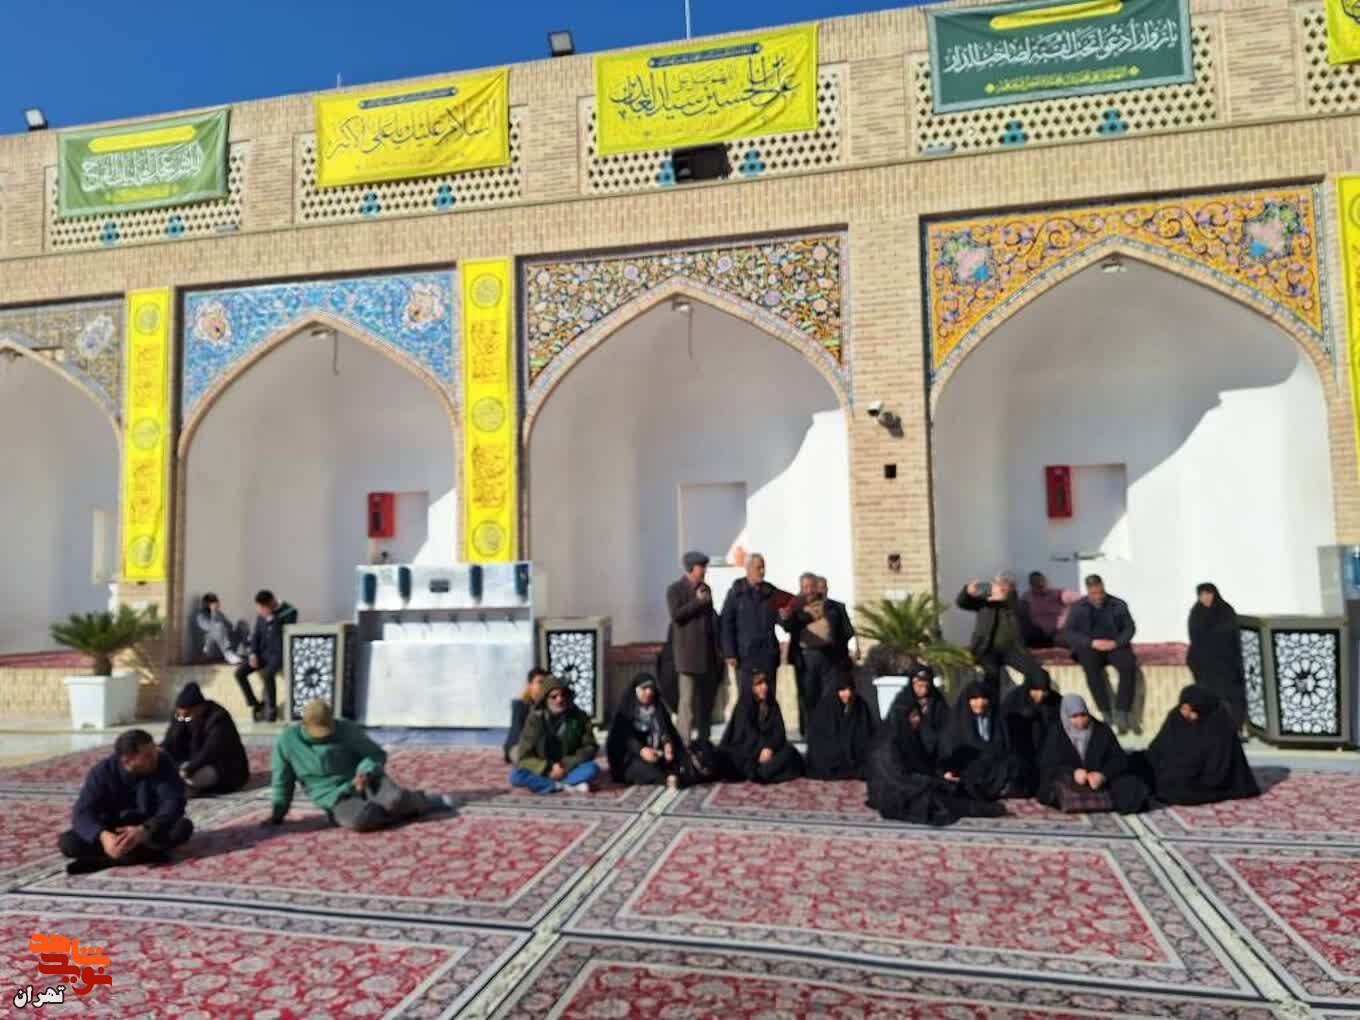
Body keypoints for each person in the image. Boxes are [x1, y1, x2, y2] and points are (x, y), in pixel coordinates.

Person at [263, 700, 449, 830]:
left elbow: (375, 754)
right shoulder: (287, 741)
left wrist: (365, 771)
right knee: (363, 818)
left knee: (395, 799)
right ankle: (386, 811)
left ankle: (421, 801)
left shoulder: (345, 729)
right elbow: (282, 781)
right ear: (303, 724)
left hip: (366, 780)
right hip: (334, 796)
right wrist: (277, 815)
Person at [59, 729, 193, 875]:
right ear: (127, 760)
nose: (155, 757)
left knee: (181, 828)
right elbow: (82, 812)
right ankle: (143, 856)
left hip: (149, 827)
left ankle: (108, 861)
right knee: (69, 843)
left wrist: (144, 829)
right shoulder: (102, 772)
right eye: (148, 756)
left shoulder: (163, 763)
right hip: (114, 830)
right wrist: (103, 836)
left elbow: (173, 803)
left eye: (154, 750)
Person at [865, 700, 1004, 825]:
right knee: (935, 801)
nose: (918, 719)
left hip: (912, 785)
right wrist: (934, 782)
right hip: (894, 794)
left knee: (954, 788)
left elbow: (921, 765)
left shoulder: (907, 737)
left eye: (918, 715)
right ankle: (984, 809)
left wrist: (940, 777)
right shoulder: (886, 746)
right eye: (913, 716)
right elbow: (898, 778)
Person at [1133, 685, 1259, 805]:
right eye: (1183, 708)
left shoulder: (1219, 724)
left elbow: (1217, 769)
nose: (1186, 714)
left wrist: (1185, 769)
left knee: (1178, 788)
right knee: (1140, 766)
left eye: (1191, 710)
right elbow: (1158, 747)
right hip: (1178, 768)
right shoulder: (1176, 716)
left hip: (1202, 779)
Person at [1038, 694, 1148, 814]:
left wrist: (1103, 775)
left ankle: (1100, 800)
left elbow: (1119, 759)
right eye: (1074, 716)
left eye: (1083, 715)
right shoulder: (1057, 733)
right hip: (1069, 779)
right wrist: (1072, 773)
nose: (1080, 721)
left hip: (1099, 781)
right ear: (1065, 716)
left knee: (1131, 785)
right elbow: (1048, 763)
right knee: (1050, 786)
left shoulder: (1102, 730)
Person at [1062, 575, 1139, 734]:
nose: (1098, 596)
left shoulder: (1118, 604)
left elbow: (1129, 628)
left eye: (1100, 592)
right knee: (1091, 669)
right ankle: (1106, 712)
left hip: (1114, 645)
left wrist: (1116, 643)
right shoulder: (1078, 607)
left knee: (1128, 666)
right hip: (1090, 646)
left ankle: (1122, 712)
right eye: (1094, 593)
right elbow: (1069, 632)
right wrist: (1090, 643)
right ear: (1088, 591)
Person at [956, 573, 1046, 698]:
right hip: (986, 649)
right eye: (998, 584)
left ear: (1012, 588)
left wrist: (1005, 597)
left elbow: (1015, 606)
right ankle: (992, 707)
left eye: (1005, 585)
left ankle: (1029, 702)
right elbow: (962, 603)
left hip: (1013, 649)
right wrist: (967, 591)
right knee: (991, 674)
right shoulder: (985, 602)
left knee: (1037, 673)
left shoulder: (1019, 604)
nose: (1000, 587)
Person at [665, 551, 722, 742]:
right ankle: (684, 742)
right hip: (687, 657)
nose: (704, 570)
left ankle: (704, 742)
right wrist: (697, 602)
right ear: (691, 568)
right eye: (701, 567)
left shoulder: (706, 589)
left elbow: (710, 620)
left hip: (707, 657)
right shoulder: (675, 590)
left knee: (705, 704)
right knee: (687, 704)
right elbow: (676, 616)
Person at [510, 677, 601, 794]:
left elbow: (590, 747)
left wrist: (564, 765)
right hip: (544, 769)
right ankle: (562, 785)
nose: (560, 700)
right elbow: (524, 755)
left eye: (563, 695)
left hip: (568, 768)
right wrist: (547, 768)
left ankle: (553, 784)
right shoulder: (535, 719)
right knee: (516, 775)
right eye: (554, 697)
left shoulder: (579, 717)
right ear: (545, 699)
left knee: (592, 769)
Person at [941, 681, 1028, 800]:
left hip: (993, 763)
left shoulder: (995, 717)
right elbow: (949, 748)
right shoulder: (958, 721)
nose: (980, 703)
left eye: (984, 699)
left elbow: (1004, 744)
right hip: (969, 763)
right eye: (975, 699)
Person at [160, 682, 250, 796]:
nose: (183, 718)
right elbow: (170, 740)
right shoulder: (180, 717)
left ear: (200, 708)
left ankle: (187, 787)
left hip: (220, 767)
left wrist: (188, 769)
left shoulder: (218, 718)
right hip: (188, 762)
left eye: (187, 715)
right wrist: (158, 754)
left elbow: (210, 751)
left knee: (195, 777)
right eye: (180, 715)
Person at [720, 554, 792, 697]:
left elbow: (784, 622)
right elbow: (726, 624)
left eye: (763, 568)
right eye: (758, 568)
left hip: (768, 655)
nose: (762, 571)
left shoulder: (771, 592)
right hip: (745, 657)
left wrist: (786, 617)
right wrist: (729, 653)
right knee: (748, 698)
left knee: (769, 697)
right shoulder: (736, 593)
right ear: (748, 569)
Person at [717, 670, 803, 783]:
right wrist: (761, 749)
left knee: (791, 752)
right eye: (759, 684)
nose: (764, 687)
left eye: (765, 683)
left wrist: (770, 747)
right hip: (746, 752)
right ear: (751, 687)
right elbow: (745, 736)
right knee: (734, 757)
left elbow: (780, 733)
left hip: (767, 752)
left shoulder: (772, 704)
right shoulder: (743, 705)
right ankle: (761, 773)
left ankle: (762, 773)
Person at [605, 673, 683, 787]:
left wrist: (668, 745)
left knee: (680, 759)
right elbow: (623, 739)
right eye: (644, 688)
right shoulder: (626, 711)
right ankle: (666, 778)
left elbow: (667, 731)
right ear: (635, 690)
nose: (649, 692)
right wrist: (641, 750)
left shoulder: (658, 708)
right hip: (630, 758)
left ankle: (674, 774)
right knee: (643, 769)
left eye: (651, 688)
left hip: (656, 753)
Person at [1187, 583, 1246, 729]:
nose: (1205, 598)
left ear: (1214, 594)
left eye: (1208, 594)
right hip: (1205, 667)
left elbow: (1232, 637)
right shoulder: (1196, 613)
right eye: (1202, 595)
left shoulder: (1226, 611)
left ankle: (1234, 727)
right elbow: (1195, 638)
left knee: (1231, 697)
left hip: (1226, 665)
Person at [234, 589, 298, 723]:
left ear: (271, 603)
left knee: (268, 675)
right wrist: (253, 653)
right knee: (239, 673)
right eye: (259, 607)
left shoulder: (289, 612)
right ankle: (255, 704)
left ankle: (271, 708)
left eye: (262, 607)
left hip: (278, 654)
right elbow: (256, 635)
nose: (260, 611)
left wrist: (273, 618)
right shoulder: (261, 615)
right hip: (262, 654)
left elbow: (288, 628)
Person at [804, 673, 875, 780]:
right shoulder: (825, 707)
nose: (847, 694)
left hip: (854, 754)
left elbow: (865, 734)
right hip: (832, 754)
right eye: (842, 690)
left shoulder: (860, 705)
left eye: (849, 689)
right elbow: (818, 740)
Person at [1001, 669, 1061, 774]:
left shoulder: (1056, 700)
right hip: (1020, 753)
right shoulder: (1013, 700)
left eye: (1044, 691)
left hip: (1047, 753)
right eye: (1036, 690)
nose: (1041, 695)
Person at [884, 663, 951, 756]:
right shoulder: (903, 700)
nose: (923, 690)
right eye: (919, 686)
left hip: (934, 750)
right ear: (912, 684)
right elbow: (895, 728)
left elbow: (945, 725)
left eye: (926, 686)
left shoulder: (937, 701)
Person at [786, 572, 821, 730]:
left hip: (822, 658)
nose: (808, 591)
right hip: (802, 658)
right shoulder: (794, 605)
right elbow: (787, 625)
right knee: (805, 696)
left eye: (811, 587)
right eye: (804, 587)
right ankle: (806, 730)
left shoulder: (824, 603)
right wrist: (802, 615)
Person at [504, 668, 549, 764]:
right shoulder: (520, 706)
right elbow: (518, 734)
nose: (544, 686)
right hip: (519, 746)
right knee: (521, 756)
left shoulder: (550, 704)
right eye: (540, 682)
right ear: (530, 685)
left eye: (546, 683)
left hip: (539, 747)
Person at [1020, 572, 1070, 648]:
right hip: (1038, 634)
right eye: (1036, 583)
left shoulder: (1058, 593)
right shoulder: (1027, 596)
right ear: (1031, 585)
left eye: (1042, 581)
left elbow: (1080, 600)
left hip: (1059, 632)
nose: (1040, 584)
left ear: (1046, 581)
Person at [195, 593, 247, 665]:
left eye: (215, 602)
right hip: (211, 649)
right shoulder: (200, 616)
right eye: (211, 603)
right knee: (218, 626)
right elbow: (211, 628)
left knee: (242, 623)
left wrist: (218, 615)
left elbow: (230, 626)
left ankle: (249, 651)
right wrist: (214, 613)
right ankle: (228, 654)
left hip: (225, 644)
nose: (214, 605)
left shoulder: (218, 613)